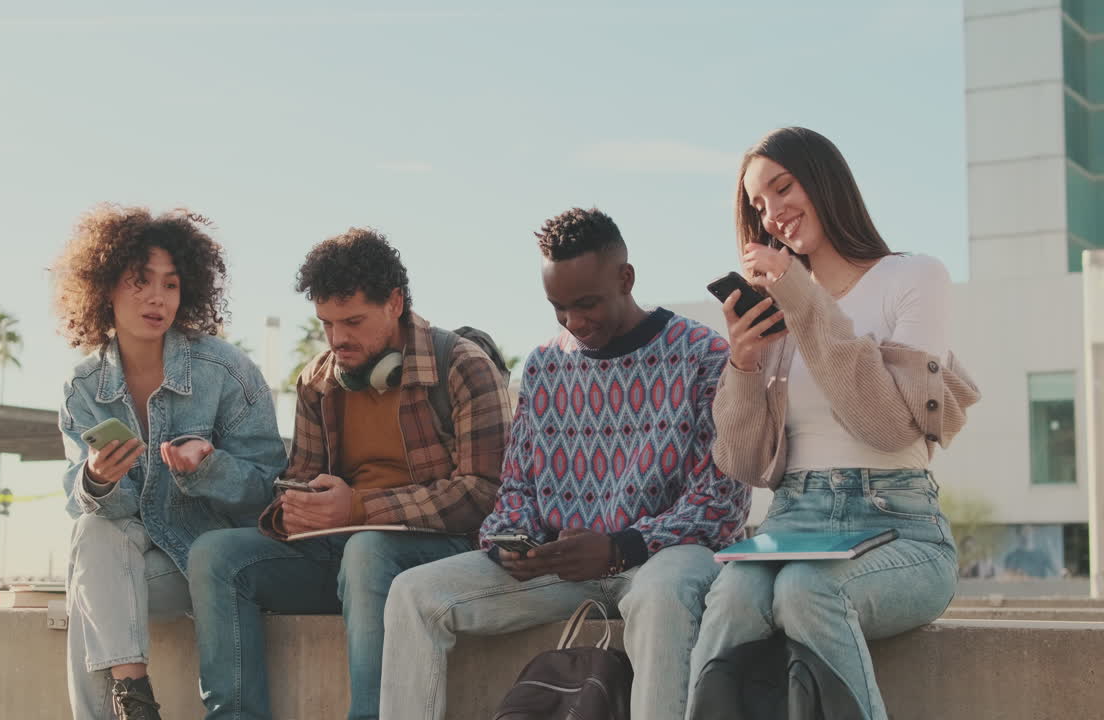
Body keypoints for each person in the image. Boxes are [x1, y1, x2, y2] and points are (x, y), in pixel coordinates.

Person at [379, 207, 751, 720]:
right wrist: (514, 543)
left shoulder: (702, 354)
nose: (574, 322)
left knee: (663, 596)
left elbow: (721, 504)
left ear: (627, 278)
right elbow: (516, 489)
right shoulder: (545, 365)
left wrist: (621, 547)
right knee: (413, 594)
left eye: (587, 303)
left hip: (660, 558)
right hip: (561, 566)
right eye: (559, 308)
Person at [687, 127, 981, 720]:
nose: (772, 216)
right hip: (791, 519)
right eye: (758, 205)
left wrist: (802, 298)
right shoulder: (777, 307)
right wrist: (742, 363)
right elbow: (742, 464)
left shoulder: (914, 277)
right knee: (733, 598)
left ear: (824, 179)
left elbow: (889, 426)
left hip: (900, 528)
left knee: (808, 591)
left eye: (782, 187)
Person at [185, 227, 512, 720]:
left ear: (396, 302)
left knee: (367, 549)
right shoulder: (319, 381)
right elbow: (298, 479)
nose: (338, 338)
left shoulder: (462, 367)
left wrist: (360, 508)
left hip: (439, 551)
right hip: (343, 554)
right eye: (326, 324)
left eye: (353, 321)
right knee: (214, 554)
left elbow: (485, 494)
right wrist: (293, 512)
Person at [54, 205, 286, 720]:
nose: (157, 297)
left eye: (171, 284)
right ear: (105, 289)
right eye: (140, 281)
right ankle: (135, 701)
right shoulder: (84, 387)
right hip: (131, 566)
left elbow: (270, 492)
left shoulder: (226, 371)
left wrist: (210, 467)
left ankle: (127, 705)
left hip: (211, 566)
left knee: (88, 599)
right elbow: (84, 501)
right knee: (92, 534)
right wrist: (97, 479)